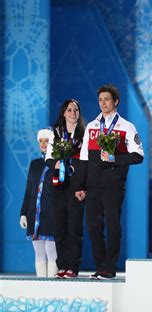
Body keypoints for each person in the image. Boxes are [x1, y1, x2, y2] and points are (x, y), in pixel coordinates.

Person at [75, 84, 144, 280]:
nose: (103, 103)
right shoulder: (92, 127)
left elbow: (139, 156)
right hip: (93, 184)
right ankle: (100, 266)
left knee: (113, 225)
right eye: (100, 100)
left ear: (116, 101)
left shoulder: (127, 127)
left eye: (107, 99)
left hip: (113, 184)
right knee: (93, 226)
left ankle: (110, 267)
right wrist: (80, 185)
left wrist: (116, 159)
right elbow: (83, 158)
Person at [45, 99, 85, 279]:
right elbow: (47, 157)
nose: (73, 113)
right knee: (60, 225)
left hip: (76, 185)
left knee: (74, 226)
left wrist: (83, 184)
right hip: (59, 184)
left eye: (76, 110)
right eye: (69, 110)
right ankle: (62, 266)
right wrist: (57, 163)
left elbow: (87, 162)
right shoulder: (55, 134)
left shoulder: (84, 134)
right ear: (63, 113)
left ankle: (73, 267)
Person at [20, 128, 57, 277]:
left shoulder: (58, 163)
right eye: (40, 141)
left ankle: (53, 286)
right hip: (34, 214)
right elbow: (28, 190)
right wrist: (23, 213)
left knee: (51, 250)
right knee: (39, 252)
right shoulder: (35, 164)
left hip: (51, 213)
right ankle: (41, 286)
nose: (43, 144)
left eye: (46, 141)